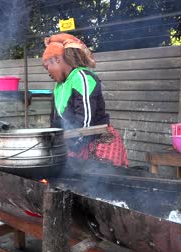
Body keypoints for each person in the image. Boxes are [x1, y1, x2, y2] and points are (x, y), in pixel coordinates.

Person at [42, 33, 128, 167]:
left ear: (57, 60)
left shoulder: (82, 77)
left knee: (103, 183)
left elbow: (86, 120)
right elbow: (57, 121)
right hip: (75, 142)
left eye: (47, 67)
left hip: (99, 142)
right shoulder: (59, 87)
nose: (48, 73)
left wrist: (71, 146)